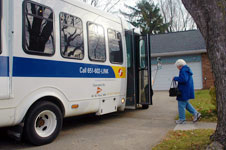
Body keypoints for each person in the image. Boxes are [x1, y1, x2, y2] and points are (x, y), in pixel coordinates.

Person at [173, 59, 201, 124]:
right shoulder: (186, 69)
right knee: (186, 104)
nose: (177, 68)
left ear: (180, 65)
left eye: (177, 66)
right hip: (187, 89)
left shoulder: (183, 70)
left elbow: (184, 79)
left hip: (183, 90)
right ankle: (196, 113)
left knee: (181, 104)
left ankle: (182, 119)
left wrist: (175, 78)